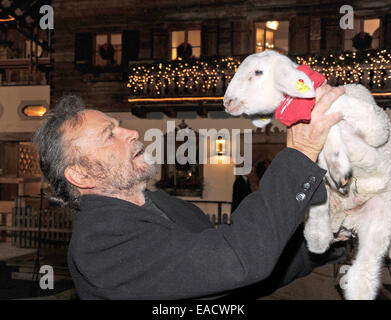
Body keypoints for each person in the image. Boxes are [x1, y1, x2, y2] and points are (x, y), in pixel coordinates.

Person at [33, 85, 346, 300]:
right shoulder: (99, 243)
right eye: (109, 135)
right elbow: (237, 261)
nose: (130, 132)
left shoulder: (167, 205)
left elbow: (238, 281)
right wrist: (301, 152)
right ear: (81, 174)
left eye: (119, 125)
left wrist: (325, 234)